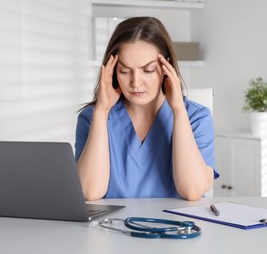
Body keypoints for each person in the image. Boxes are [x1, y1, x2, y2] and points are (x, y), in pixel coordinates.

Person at [75, 17, 219, 201]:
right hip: (112, 228)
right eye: (124, 71)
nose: (135, 83)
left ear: (166, 67)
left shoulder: (196, 118)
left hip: (175, 227)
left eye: (148, 70)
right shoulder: (91, 118)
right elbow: (89, 192)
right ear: (111, 71)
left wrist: (178, 111)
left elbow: (192, 191)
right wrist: (101, 112)